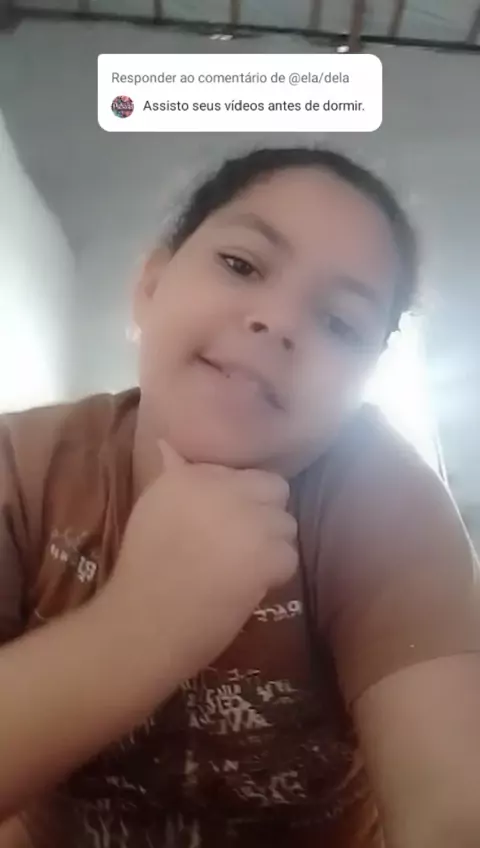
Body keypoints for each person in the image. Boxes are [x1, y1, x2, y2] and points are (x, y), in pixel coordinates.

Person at [0, 147, 479, 848]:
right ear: (151, 285)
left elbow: (454, 813)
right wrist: (144, 625)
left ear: (364, 381)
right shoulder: (24, 467)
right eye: (241, 265)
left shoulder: (387, 505)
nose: (277, 321)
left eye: (340, 323)